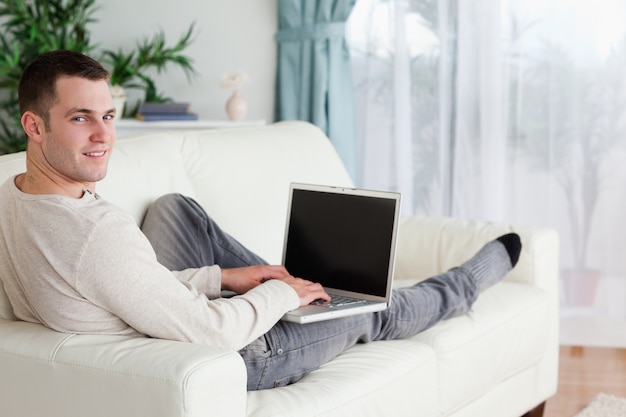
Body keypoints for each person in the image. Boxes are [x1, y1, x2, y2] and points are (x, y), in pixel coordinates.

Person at [0, 50, 522, 390]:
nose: (103, 134)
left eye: (107, 116)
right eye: (80, 118)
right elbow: (210, 329)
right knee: (363, 306)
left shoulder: (14, 196)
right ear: (34, 126)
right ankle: (465, 283)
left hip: (157, 314)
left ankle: (300, 279)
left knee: (173, 208)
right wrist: (283, 297)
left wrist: (224, 277)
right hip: (235, 352)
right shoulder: (96, 234)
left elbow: (117, 284)